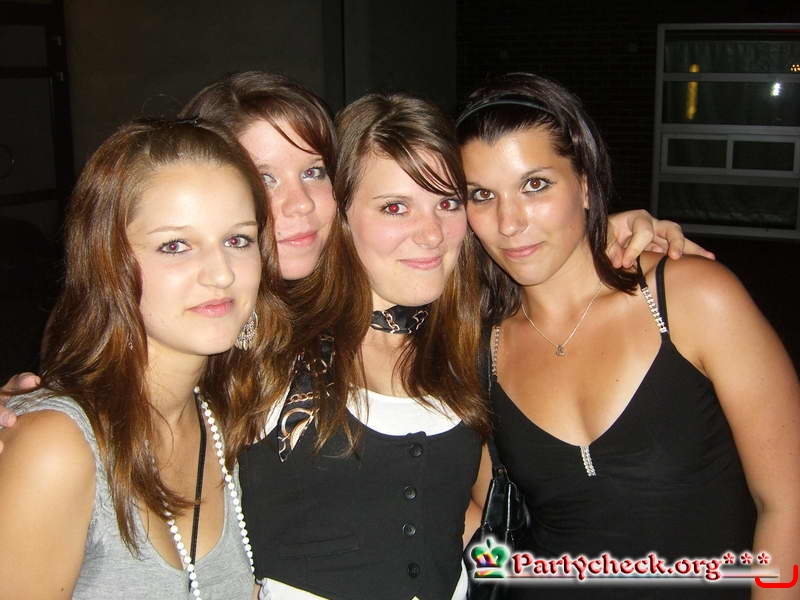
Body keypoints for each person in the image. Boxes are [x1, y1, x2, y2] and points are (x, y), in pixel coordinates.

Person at [458, 73, 800, 598]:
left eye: (535, 185)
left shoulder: (690, 298)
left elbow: (788, 503)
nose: (509, 222)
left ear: (585, 184)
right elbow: (486, 515)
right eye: (482, 195)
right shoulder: (482, 349)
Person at [0, 118, 292, 599]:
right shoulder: (58, 447)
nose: (221, 274)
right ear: (107, 261)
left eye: (237, 239)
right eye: (175, 245)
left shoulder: (230, 416)